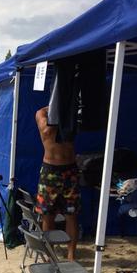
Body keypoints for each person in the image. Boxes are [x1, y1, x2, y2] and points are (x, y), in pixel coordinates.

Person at [34, 106, 80, 260]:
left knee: (72, 214)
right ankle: (50, 253)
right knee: (48, 215)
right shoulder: (42, 113)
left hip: (70, 169)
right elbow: (47, 131)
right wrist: (58, 111)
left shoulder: (71, 111)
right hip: (50, 170)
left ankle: (71, 255)